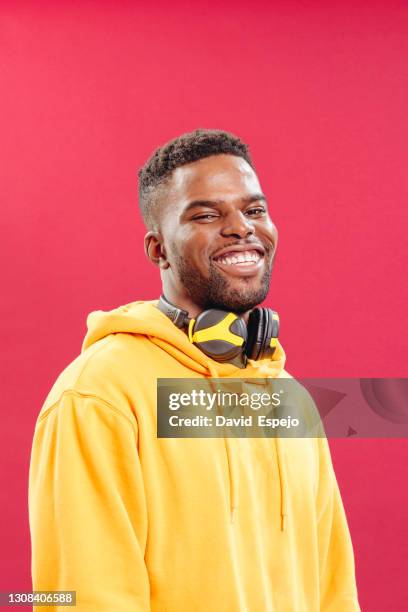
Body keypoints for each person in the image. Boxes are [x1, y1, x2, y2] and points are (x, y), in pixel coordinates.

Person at [29, 129, 360, 611]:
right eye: (206, 214)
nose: (241, 228)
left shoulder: (290, 401)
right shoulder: (99, 395)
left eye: (254, 210)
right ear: (158, 249)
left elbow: (334, 590)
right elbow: (83, 596)